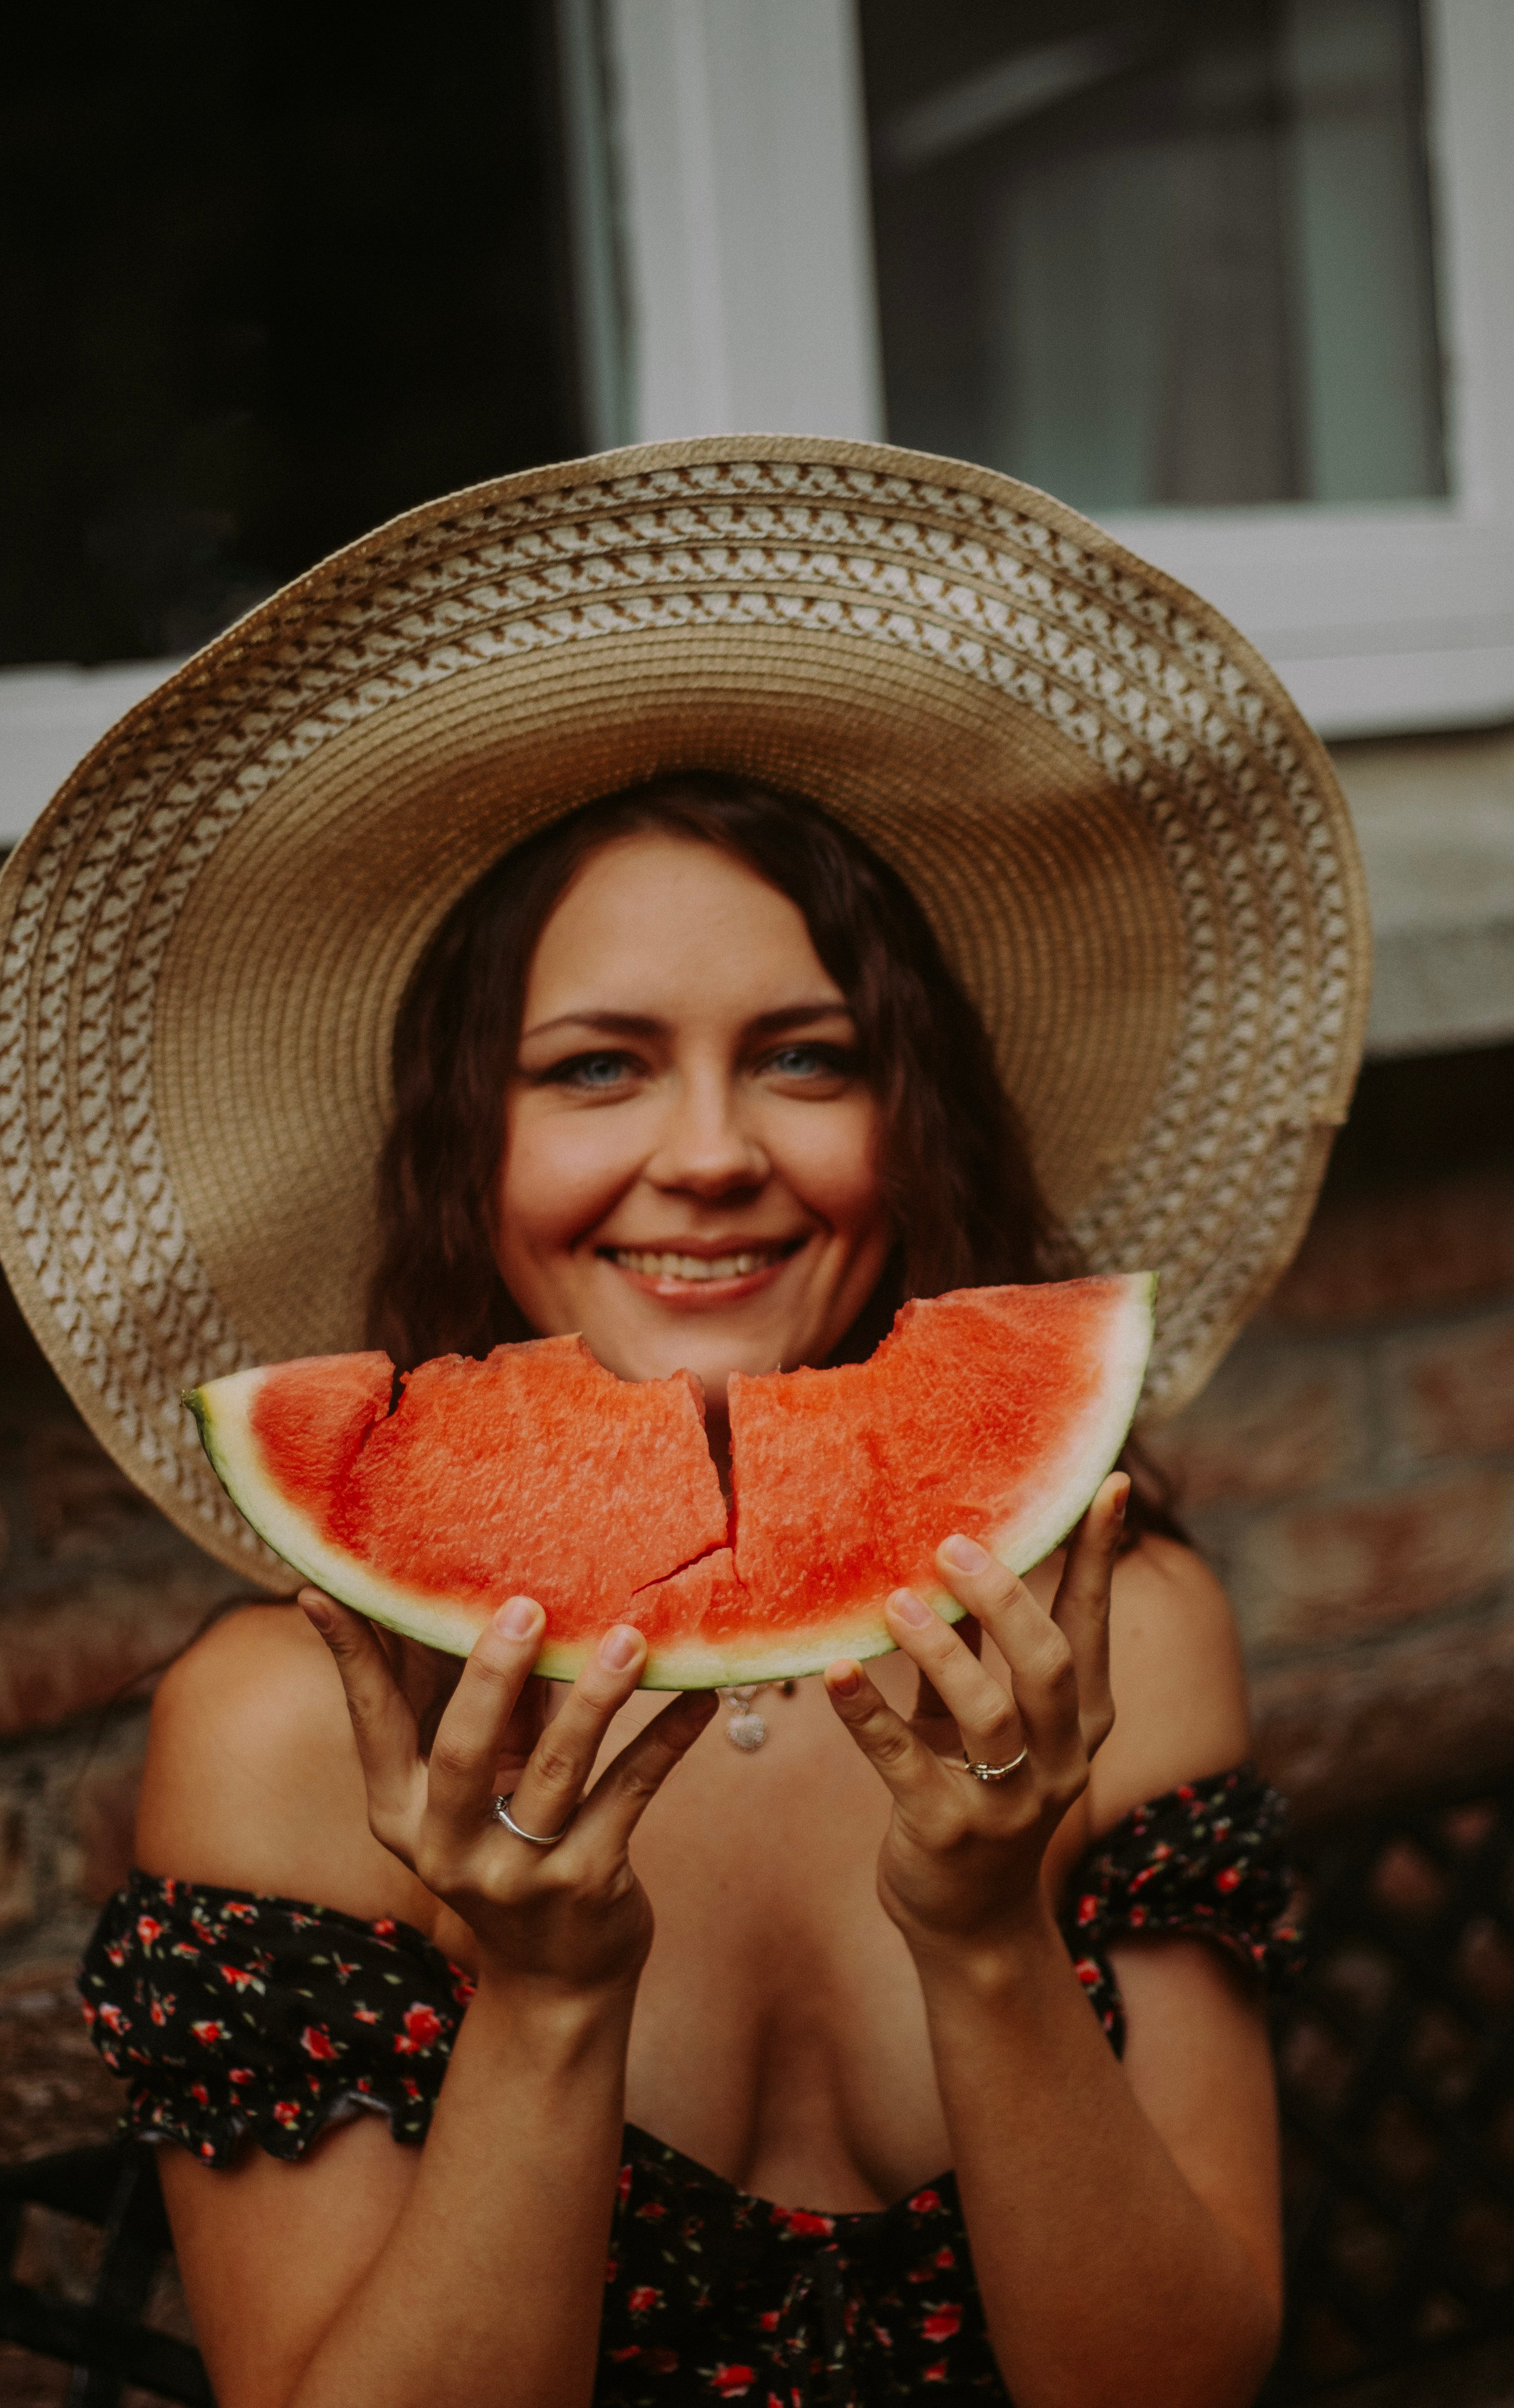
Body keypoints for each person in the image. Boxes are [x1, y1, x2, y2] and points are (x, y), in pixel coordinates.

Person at [0, 439, 1369, 2408]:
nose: (710, 1157)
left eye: (808, 1056)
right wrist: (548, 1998)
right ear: (468, 1148)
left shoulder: (1117, 1640)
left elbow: (1176, 2384)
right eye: (595, 1069)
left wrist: (989, 1936)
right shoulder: (293, 1734)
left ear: (917, 1123)